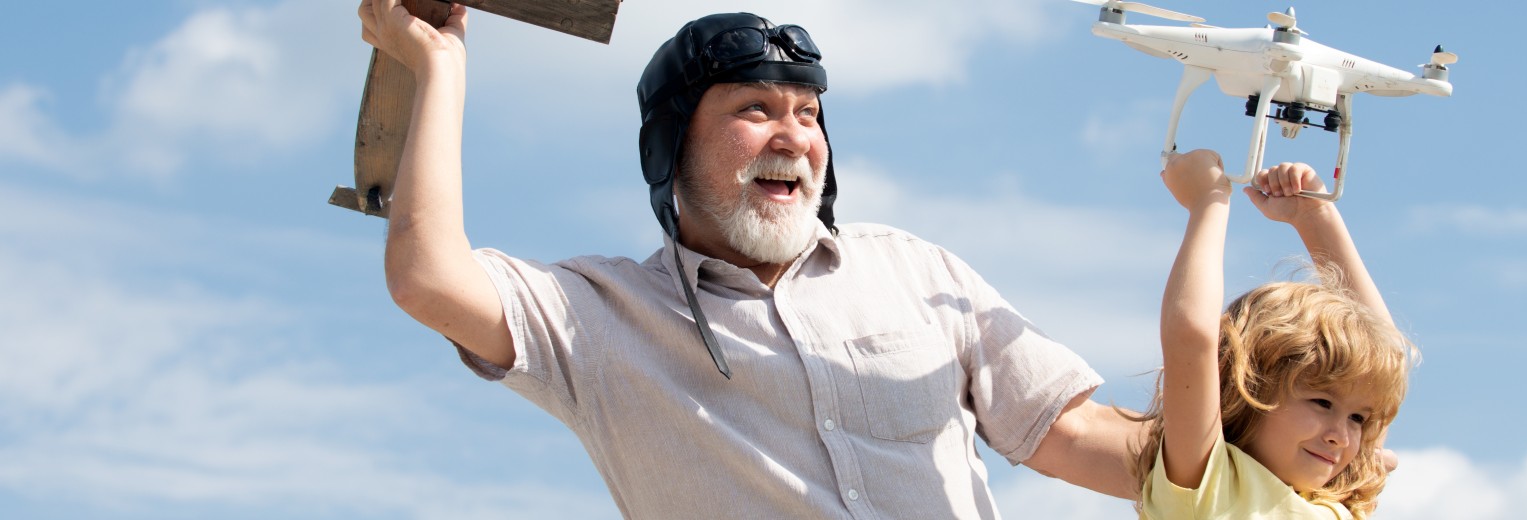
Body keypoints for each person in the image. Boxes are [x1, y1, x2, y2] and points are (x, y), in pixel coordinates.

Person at [357, 2, 1143, 518]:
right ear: (669, 147)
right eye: (754, 109)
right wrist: (440, 64)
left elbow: (1079, 437)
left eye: (807, 113)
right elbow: (428, 275)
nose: (794, 135)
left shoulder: (918, 274)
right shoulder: (597, 318)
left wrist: (1257, 444)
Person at [1132, 150, 1416, 519]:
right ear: (1248, 386)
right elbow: (1191, 337)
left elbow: (1385, 358)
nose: (1340, 436)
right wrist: (1208, 202)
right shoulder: (1209, 484)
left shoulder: (1336, 500)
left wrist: (1315, 217)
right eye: (1322, 403)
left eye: (1357, 419)